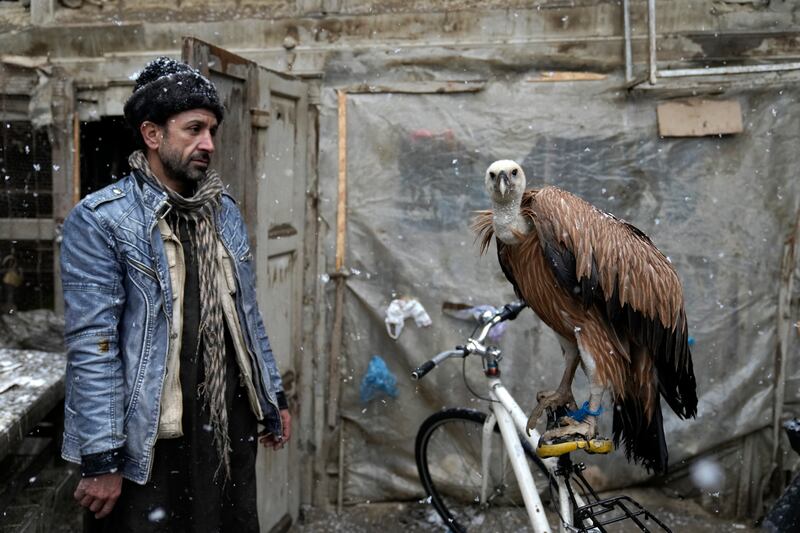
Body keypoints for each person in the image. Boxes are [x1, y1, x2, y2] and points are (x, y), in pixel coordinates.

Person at [60, 56, 291, 532]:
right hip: (150, 437)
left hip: (224, 431)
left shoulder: (221, 210)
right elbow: (94, 345)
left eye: (212, 130)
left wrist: (272, 396)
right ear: (152, 134)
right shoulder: (103, 220)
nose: (208, 143)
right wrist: (102, 457)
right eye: (193, 129)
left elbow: (246, 315)